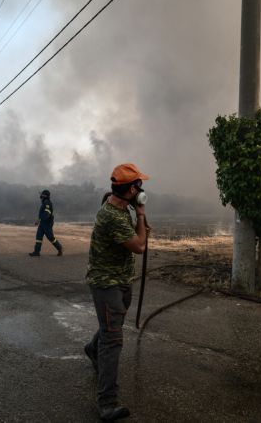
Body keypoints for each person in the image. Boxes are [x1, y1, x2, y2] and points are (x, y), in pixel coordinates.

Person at [84, 163, 149, 421]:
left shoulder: (122, 208)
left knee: (112, 324)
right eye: (140, 186)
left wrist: (138, 220)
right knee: (113, 339)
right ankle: (106, 403)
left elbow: (135, 239)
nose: (142, 190)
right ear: (132, 189)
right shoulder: (112, 214)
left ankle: (92, 348)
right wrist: (142, 217)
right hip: (106, 282)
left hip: (122, 279)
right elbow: (139, 247)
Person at [29, 189, 63, 257]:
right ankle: (36, 252)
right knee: (38, 237)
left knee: (51, 238)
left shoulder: (47, 203)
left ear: (45, 195)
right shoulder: (44, 202)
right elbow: (43, 214)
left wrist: (41, 219)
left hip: (47, 224)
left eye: (42, 194)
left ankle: (60, 248)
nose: (40, 195)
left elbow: (47, 213)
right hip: (42, 223)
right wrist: (39, 220)